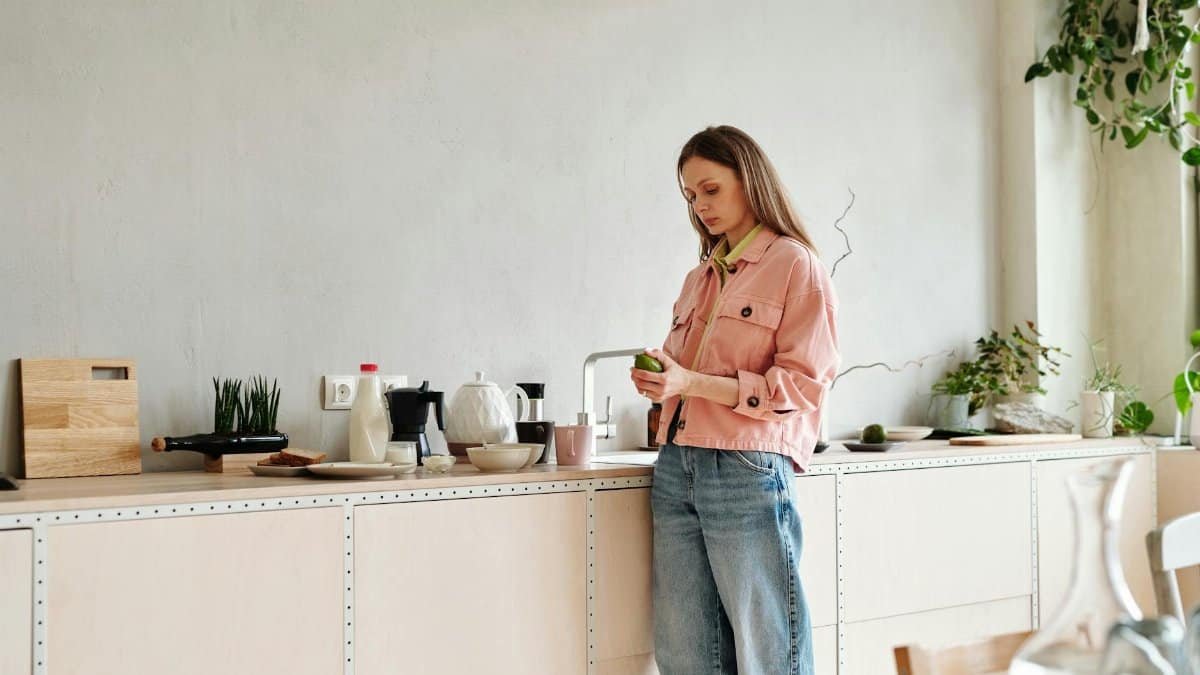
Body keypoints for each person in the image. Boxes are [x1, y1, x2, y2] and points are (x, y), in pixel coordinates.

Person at [629, 125, 840, 675]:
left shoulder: (796, 266)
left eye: (710, 190)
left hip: (746, 468)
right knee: (685, 652)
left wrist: (692, 383)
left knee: (769, 647)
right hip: (678, 465)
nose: (700, 207)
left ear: (748, 179)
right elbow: (688, 374)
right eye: (691, 196)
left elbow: (801, 387)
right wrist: (663, 381)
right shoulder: (701, 275)